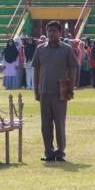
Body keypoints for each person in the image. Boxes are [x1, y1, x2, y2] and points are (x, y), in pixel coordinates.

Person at [32, 20, 77, 162]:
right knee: (45, 124)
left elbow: (73, 69)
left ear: (60, 33)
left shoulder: (66, 49)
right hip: (44, 91)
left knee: (60, 123)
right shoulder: (40, 49)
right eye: (49, 31)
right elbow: (37, 70)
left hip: (60, 92)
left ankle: (60, 151)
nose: (51, 34)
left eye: (54, 31)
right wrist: (36, 89)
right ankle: (48, 151)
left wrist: (70, 89)